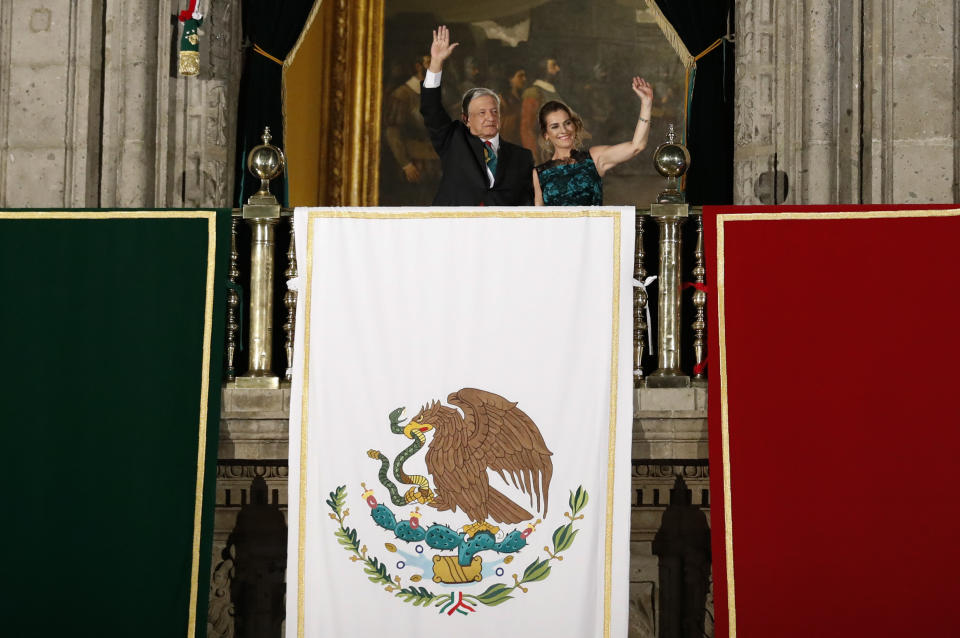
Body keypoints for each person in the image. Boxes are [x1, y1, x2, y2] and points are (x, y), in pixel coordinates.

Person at [420, 26, 534, 206]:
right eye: (482, 113)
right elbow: (431, 110)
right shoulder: (454, 141)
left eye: (494, 111)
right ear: (466, 119)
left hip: (501, 232)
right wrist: (436, 63)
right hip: (455, 229)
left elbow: (527, 204)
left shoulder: (522, 157)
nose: (490, 117)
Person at [533, 76, 654, 206]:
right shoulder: (539, 173)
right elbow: (538, 218)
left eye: (567, 123)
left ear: (574, 125)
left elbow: (637, 146)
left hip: (594, 227)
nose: (564, 130)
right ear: (546, 134)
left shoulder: (594, 158)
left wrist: (646, 104)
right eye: (555, 126)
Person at [382, 54, 441, 204]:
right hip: (415, 165)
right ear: (418, 66)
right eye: (429, 62)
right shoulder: (401, 95)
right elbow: (392, 132)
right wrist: (406, 164)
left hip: (435, 163)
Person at [521, 57, 563, 162]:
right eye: (553, 66)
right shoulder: (534, 93)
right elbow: (526, 129)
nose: (558, 69)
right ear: (543, 70)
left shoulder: (554, 91)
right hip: (543, 153)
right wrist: (533, 156)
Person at [499, 67, 527, 144]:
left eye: (524, 76)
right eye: (520, 76)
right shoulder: (502, 99)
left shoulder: (524, 98)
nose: (524, 79)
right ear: (510, 79)